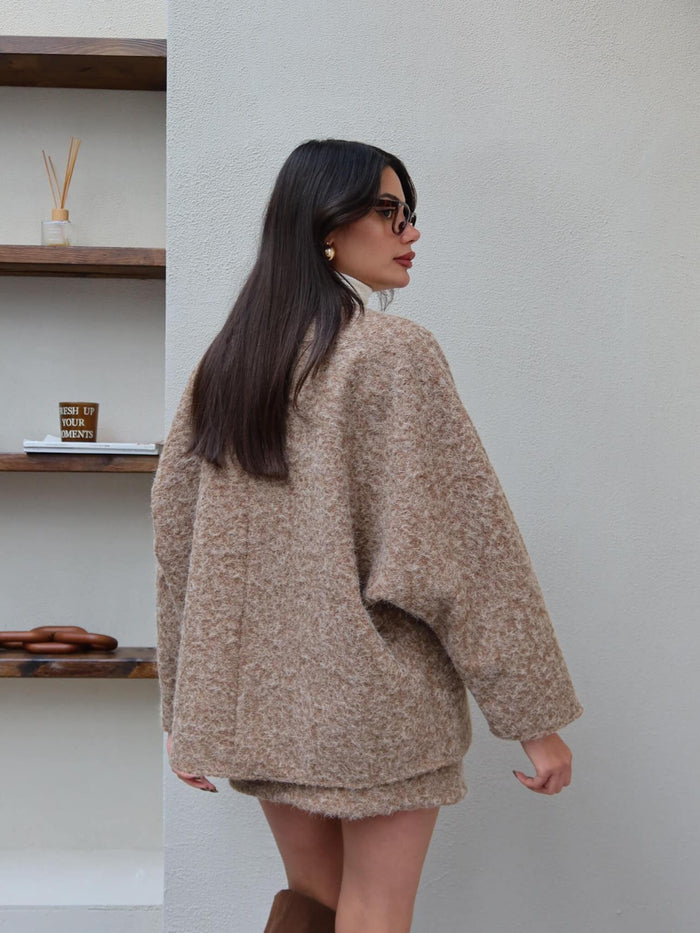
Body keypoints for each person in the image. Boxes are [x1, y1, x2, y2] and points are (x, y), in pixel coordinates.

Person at [151, 138, 584, 933]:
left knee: (314, 903)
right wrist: (533, 719)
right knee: (376, 909)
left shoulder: (229, 365)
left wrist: (187, 708)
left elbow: (180, 546)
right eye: (388, 211)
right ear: (326, 224)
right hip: (376, 706)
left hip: (263, 711)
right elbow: (463, 550)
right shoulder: (392, 353)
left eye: (409, 212)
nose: (409, 231)